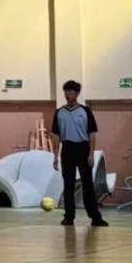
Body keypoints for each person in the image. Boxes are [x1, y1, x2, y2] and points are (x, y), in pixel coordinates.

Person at [49, 80, 109, 228]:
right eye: (66, 91)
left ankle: (95, 218)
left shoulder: (85, 111)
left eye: (70, 91)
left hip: (83, 148)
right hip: (67, 149)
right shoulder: (59, 112)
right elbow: (55, 135)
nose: (67, 94)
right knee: (68, 185)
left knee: (87, 184)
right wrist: (55, 156)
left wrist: (91, 154)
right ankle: (69, 217)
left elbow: (92, 134)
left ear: (77, 94)